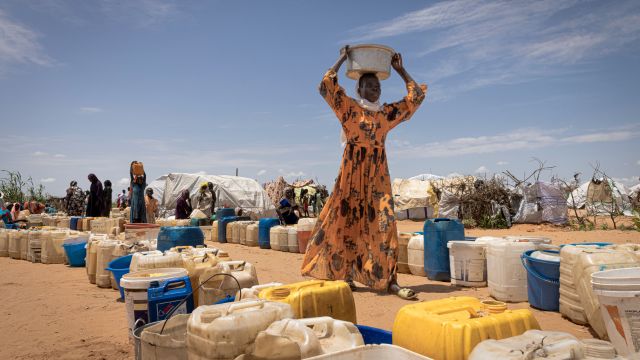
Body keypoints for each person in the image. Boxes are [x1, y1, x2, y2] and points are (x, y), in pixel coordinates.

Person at [301, 46, 426, 300]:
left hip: (378, 179)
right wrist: (342, 59)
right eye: (369, 86)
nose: (374, 90)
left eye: (377, 86)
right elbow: (326, 86)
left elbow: (415, 99)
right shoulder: (349, 110)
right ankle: (345, 273)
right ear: (359, 90)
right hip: (351, 176)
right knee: (344, 223)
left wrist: (401, 70)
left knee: (385, 226)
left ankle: (390, 281)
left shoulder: (385, 115)